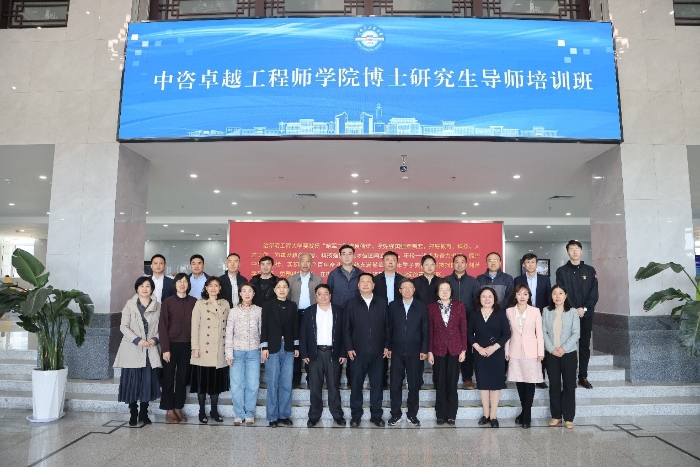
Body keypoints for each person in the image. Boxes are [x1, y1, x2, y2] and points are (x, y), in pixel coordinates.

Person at [113, 276, 161, 427]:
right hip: (132, 348)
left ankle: (144, 413)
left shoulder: (158, 306)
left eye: (147, 286)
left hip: (149, 349)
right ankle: (133, 412)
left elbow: (162, 327)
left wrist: (155, 339)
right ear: (137, 289)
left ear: (152, 289)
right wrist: (137, 340)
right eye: (141, 286)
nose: (144, 288)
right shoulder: (129, 306)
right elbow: (123, 326)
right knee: (132, 382)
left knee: (147, 381)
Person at [343, 273, 390, 428]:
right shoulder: (351, 303)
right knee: (356, 385)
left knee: (377, 385)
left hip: (378, 351)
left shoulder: (382, 302)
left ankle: (376, 415)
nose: (365, 284)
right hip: (357, 352)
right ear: (358, 285)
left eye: (368, 281)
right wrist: (349, 347)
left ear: (373, 285)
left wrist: (387, 345)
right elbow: (346, 328)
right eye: (362, 281)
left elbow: (388, 326)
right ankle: (356, 415)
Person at [300, 284, 347, 427]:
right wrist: (304, 353)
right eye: (319, 294)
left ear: (330, 295)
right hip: (315, 354)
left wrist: (343, 352)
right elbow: (303, 333)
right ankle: (314, 415)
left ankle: (337, 415)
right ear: (316, 296)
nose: (323, 296)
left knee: (334, 386)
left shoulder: (339, 311)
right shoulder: (309, 311)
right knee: (315, 386)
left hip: (333, 353)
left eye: (326, 293)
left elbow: (344, 333)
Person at [555, 240, 598, 390]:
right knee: (568, 346)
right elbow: (561, 293)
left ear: (581, 251)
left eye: (577, 249)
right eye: (572, 249)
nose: (575, 252)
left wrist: (584, 308)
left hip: (586, 315)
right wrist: (574, 309)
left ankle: (583, 376)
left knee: (584, 346)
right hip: (568, 315)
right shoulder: (561, 271)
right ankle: (570, 377)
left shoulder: (590, 270)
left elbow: (594, 293)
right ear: (567, 252)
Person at [387, 278, 429, 427]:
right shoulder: (393, 306)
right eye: (404, 288)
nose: (407, 290)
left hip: (415, 351)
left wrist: (424, 349)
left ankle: (412, 414)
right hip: (397, 351)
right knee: (395, 384)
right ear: (400, 291)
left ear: (414, 290)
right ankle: (395, 414)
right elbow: (389, 328)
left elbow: (425, 329)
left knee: (414, 384)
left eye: (410, 287)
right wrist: (388, 347)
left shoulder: (421, 306)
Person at [469, 286, 511, 428]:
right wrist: (479, 349)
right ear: (479, 299)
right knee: (483, 384)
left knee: (495, 385)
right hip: (480, 353)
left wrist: (494, 347)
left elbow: (506, 334)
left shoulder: (501, 314)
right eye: (484, 296)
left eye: (490, 296)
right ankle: (486, 414)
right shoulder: (474, 314)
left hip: (496, 353)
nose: (487, 299)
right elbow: (469, 334)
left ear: (494, 299)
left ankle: (493, 415)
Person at [190, 277, 230, 424]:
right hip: (203, 349)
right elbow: (195, 326)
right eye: (210, 285)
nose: (213, 288)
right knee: (202, 384)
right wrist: (195, 347)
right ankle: (202, 411)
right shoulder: (200, 304)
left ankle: (214, 410)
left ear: (220, 288)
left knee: (215, 385)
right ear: (206, 288)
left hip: (220, 349)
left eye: (216, 285)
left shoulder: (225, 304)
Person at [260, 278, 299, 427]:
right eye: (279, 287)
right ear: (275, 290)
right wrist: (264, 347)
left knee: (286, 383)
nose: (282, 289)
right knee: (273, 383)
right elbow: (264, 327)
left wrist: (296, 346)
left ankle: (284, 415)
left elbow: (295, 326)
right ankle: (272, 417)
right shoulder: (268, 305)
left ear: (288, 290)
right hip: (272, 347)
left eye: (284, 287)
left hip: (288, 347)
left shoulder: (292, 305)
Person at [505, 284, 544, 429]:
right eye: (519, 294)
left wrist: (541, 352)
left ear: (529, 296)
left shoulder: (535, 311)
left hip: (532, 351)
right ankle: (524, 411)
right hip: (515, 350)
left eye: (525, 294)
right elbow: (507, 333)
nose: (522, 297)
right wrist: (506, 351)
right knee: (519, 381)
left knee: (530, 382)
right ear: (515, 296)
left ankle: (527, 414)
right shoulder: (509, 311)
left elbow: (539, 333)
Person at [427, 279, 466, 426]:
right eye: (441, 289)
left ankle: (451, 414)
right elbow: (430, 330)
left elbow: (463, 328)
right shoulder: (431, 307)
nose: (444, 292)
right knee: (440, 382)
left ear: (451, 291)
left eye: (447, 289)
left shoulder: (459, 305)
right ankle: (440, 414)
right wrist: (429, 351)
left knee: (452, 382)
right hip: (437, 349)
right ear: (437, 292)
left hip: (455, 349)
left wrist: (463, 349)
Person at [158, 273, 197, 423]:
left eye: (185, 281)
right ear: (174, 284)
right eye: (179, 281)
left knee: (182, 378)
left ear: (188, 285)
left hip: (187, 345)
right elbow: (163, 326)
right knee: (168, 377)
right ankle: (169, 409)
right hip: (171, 345)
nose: (182, 284)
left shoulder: (194, 302)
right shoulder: (168, 302)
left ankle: (178, 407)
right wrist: (165, 349)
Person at [543, 285, 580, 429]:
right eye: (554, 293)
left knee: (569, 385)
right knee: (554, 384)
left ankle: (569, 417)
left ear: (565, 295)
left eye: (560, 293)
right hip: (551, 354)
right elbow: (543, 332)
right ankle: (556, 416)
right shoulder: (546, 311)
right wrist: (552, 349)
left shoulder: (573, 312)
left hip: (568, 353)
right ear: (551, 296)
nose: (557, 296)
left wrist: (563, 348)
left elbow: (576, 333)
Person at [225, 283, 262, 427]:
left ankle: (249, 413)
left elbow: (261, 332)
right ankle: (239, 413)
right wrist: (229, 354)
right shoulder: (233, 311)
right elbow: (229, 333)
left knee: (253, 384)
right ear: (240, 293)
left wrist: (262, 350)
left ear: (254, 294)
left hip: (253, 352)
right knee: (236, 385)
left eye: (250, 291)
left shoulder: (259, 311)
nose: (247, 293)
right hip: (237, 353)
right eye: (244, 291)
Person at [327, 244, 364, 389]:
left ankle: (352, 379)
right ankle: (335, 379)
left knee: (353, 346)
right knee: (337, 344)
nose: (347, 256)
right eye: (344, 253)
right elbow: (328, 295)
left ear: (354, 256)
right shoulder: (333, 274)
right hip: (337, 314)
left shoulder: (361, 274)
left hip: (356, 315)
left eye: (350, 253)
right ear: (340, 256)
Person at [514, 253, 551, 388]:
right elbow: (515, 298)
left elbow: (548, 299)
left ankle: (540, 377)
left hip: (540, 315)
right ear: (524, 264)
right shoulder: (518, 280)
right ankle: (524, 375)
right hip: (524, 317)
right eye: (527, 262)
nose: (530, 265)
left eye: (533, 262)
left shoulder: (545, 279)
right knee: (525, 346)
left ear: (537, 264)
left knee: (540, 345)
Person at [446, 253, 480, 390]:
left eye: (462, 262)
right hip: (449, 322)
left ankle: (467, 378)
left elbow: (477, 303)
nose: (459, 264)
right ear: (453, 264)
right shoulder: (446, 280)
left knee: (467, 350)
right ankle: (449, 378)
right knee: (450, 349)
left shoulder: (473, 282)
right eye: (457, 262)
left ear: (466, 264)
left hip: (468, 321)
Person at [288, 253, 322, 388]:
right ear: (299, 262)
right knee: (296, 345)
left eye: (308, 261)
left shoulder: (318, 279)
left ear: (312, 263)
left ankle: (310, 377)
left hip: (312, 314)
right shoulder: (291, 280)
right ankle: (295, 378)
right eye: (303, 261)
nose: (305, 264)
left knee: (310, 344)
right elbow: (288, 299)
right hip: (295, 315)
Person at [374, 251, 405, 389]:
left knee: (397, 347)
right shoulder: (375, 280)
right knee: (382, 347)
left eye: (393, 259)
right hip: (380, 318)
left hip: (399, 318)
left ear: (397, 262)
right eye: (388, 259)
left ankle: (397, 381)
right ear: (383, 262)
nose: (390, 262)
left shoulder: (404, 280)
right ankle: (382, 380)